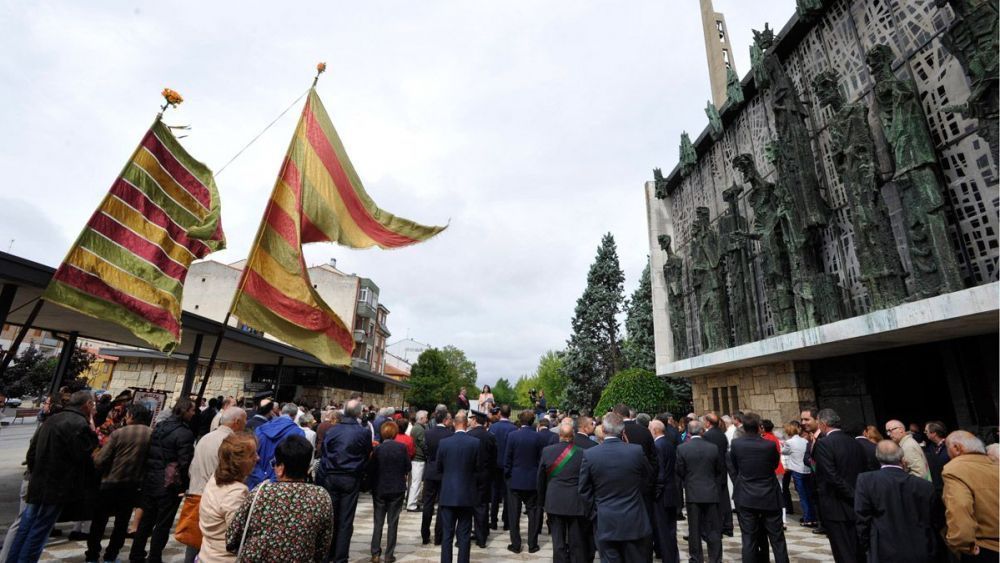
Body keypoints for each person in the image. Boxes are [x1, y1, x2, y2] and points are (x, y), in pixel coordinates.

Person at [5, 391, 97, 563]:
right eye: (94, 405)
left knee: (26, 525)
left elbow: (31, 453)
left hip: (38, 482)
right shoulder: (79, 424)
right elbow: (84, 454)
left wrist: (35, 473)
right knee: (39, 530)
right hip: (57, 486)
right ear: (88, 404)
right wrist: (92, 428)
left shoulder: (51, 419)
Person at [226, 435, 333, 561]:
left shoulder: (261, 492)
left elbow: (232, 537)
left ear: (281, 468)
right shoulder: (321, 496)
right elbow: (323, 546)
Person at [578, 411, 653, 562]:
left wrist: (594, 514)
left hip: (606, 520)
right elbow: (649, 478)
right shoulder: (635, 451)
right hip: (632, 518)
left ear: (604, 431)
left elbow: (584, 490)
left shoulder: (591, 454)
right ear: (623, 431)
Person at [86, 403, 153, 563]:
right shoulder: (151, 434)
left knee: (99, 522)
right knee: (121, 523)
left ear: (132, 416)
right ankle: (111, 555)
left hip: (110, 482)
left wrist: (95, 455)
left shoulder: (119, 433)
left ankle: (92, 555)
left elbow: (101, 459)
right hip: (132, 485)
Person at [854, 440, 938, 563]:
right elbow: (936, 519)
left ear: (877, 457)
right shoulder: (924, 485)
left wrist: (866, 545)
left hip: (884, 548)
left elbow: (862, 517)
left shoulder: (866, 480)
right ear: (901, 456)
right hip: (921, 547)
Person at [729, 412, 790, 563]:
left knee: (749, 538)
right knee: (777, 539)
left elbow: (735, 467)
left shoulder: (737, 444)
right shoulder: (768, 445)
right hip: (768, 494)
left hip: (747, 495)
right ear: (759, 427)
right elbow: (774, 464)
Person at [320, 399, 374, 563]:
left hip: (333, 475)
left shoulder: (333, 431)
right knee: (345, 519)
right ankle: (340, 556)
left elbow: (324, 451)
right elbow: (367, 453)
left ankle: (328, 553)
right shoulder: (362, 432)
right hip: (350, 476)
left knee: (332, 516)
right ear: (359, 413)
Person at [812, 408, 867, 563]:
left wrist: (851, 494)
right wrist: (857, 495)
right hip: (855, 503)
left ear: (822, 424)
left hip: (836, 503)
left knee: (842, 549)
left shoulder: (824, 444)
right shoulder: (854, 441)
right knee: (857, 548)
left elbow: (831, 476)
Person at [537, 420, 591, 563]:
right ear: (573, 435)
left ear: (559, 435)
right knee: (576, 542)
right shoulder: (583, 453)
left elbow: (540, 479)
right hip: (576, 502)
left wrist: (542, 502)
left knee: (558, 541)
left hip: (554, 501)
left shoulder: (547, 451)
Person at [198, 433, 256, 563]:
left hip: (208, 554)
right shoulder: (235, 493)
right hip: (223, 559)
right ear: (238, 462)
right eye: (252, 455)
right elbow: (238, 535)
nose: (257, 458)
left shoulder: (215, 478)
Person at [941, 431, 999, 561]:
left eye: (947, 448)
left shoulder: (955, 469)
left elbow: (960, 507)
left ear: (956, 448)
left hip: (985, 549)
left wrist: (962, 545)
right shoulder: (995, 464)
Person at [435, 411, 482, 563]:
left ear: (455, 423)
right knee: (464, 534)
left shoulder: (444, 443)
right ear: (466, 424)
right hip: (467, 494)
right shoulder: (474, 443)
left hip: (448, 493)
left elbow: (439, 467)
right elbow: (478, 468)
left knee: (447, 535)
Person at [677, 419, 724, 562]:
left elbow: (679, 470)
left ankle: (696, 558)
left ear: (689, 432)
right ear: (702, 431)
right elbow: (719, 469)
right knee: (713, 528)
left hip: (693, 492)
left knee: (694, 528)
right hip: (710, 491)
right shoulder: (713, 448)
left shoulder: (682, 448)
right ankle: (715, 558)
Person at [369, 420, 411, 563]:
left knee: (378, 522)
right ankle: (389, 554)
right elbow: (408, 467)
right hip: (396, 488)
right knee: (393, 522)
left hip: (380, 488)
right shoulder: (402, 448)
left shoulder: (378, 449)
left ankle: (375, 553)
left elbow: (372, 469)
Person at [504, 409, 545, 554]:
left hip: (515, 479)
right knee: (533, 513)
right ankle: (532, 544)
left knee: (514, 514)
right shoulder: (538, 437)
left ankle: (516, 544)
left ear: (520, 421)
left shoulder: (512, 436)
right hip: (532, 480)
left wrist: (507, 475)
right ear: (532, 421)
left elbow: (507, 458)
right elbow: (541, 460)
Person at [247, 403, 305, 490]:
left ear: (281, 412)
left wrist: (261, 478)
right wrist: (273, 480)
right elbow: (295, 463)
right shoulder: (298, 433)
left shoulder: (260, 429)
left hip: (256, 484)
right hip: (281, 485)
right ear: (294, 416)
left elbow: (249, 456)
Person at [421, 409, 454, 545]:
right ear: (445, 420)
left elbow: (425, 449)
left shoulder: (428, 433)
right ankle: (438, 536)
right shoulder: (450, 435)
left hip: (430, 470)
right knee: (442, 505)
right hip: (444, 472)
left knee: (428, 503)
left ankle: (425, 534)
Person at [650, 419, 679, 563]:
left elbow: (660, 472)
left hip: (663, 495)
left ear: (655, 430)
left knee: (664, 531)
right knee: (671, 530)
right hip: (671, 491)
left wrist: (656, 492)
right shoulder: (667, 443)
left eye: (650, 429)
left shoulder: (658, 446)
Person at [467, 410, 497, 548]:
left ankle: (468, 534)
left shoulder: (469, 435)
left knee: (469, 506)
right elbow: (493, 458)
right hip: (485, 475)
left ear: (475, 420)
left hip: (471, 475)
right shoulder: (490, 436)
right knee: (482, 506)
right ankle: (482, 536)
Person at [702, 412, 734, 537]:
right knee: (724, 498)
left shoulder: (707, 435)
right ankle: (728, 524)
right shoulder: (722, 434)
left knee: (715, 501)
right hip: (722, 469)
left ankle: (717, 527)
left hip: (713, 471)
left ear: (708, 422)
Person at [782, 421, 817, 527]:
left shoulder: (789, 442)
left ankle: (807, 518)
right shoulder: (805, 441)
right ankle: (813, 517)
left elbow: (783, 452)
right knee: (810, 495)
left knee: (803, 496)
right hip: (807, 470)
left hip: (797, 471)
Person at [489, 404, 516, 531]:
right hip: (507, 465)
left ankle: (493, 520)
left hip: (495, 464)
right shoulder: (513, 428)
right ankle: (506, 521)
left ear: (500, 414)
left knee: (495, 493)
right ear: (509, 414)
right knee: (507, 495)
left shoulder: (493, 427)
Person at [406, 410, 428, 511]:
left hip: (415, 458)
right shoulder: (419, 429)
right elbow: (423, 444)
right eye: (426, 418)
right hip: (418, 459)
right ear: (421, 418)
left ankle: (411, 501)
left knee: (412, 482)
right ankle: (412, 505)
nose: (427, 420)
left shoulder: (416, 427)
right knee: (416, 483)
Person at [924, 421, 950, 492]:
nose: (925, 433)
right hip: (939, 487)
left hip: (949, 485)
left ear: (934, 433)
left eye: (926, 431)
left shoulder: (949, 446)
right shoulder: (932, 447)